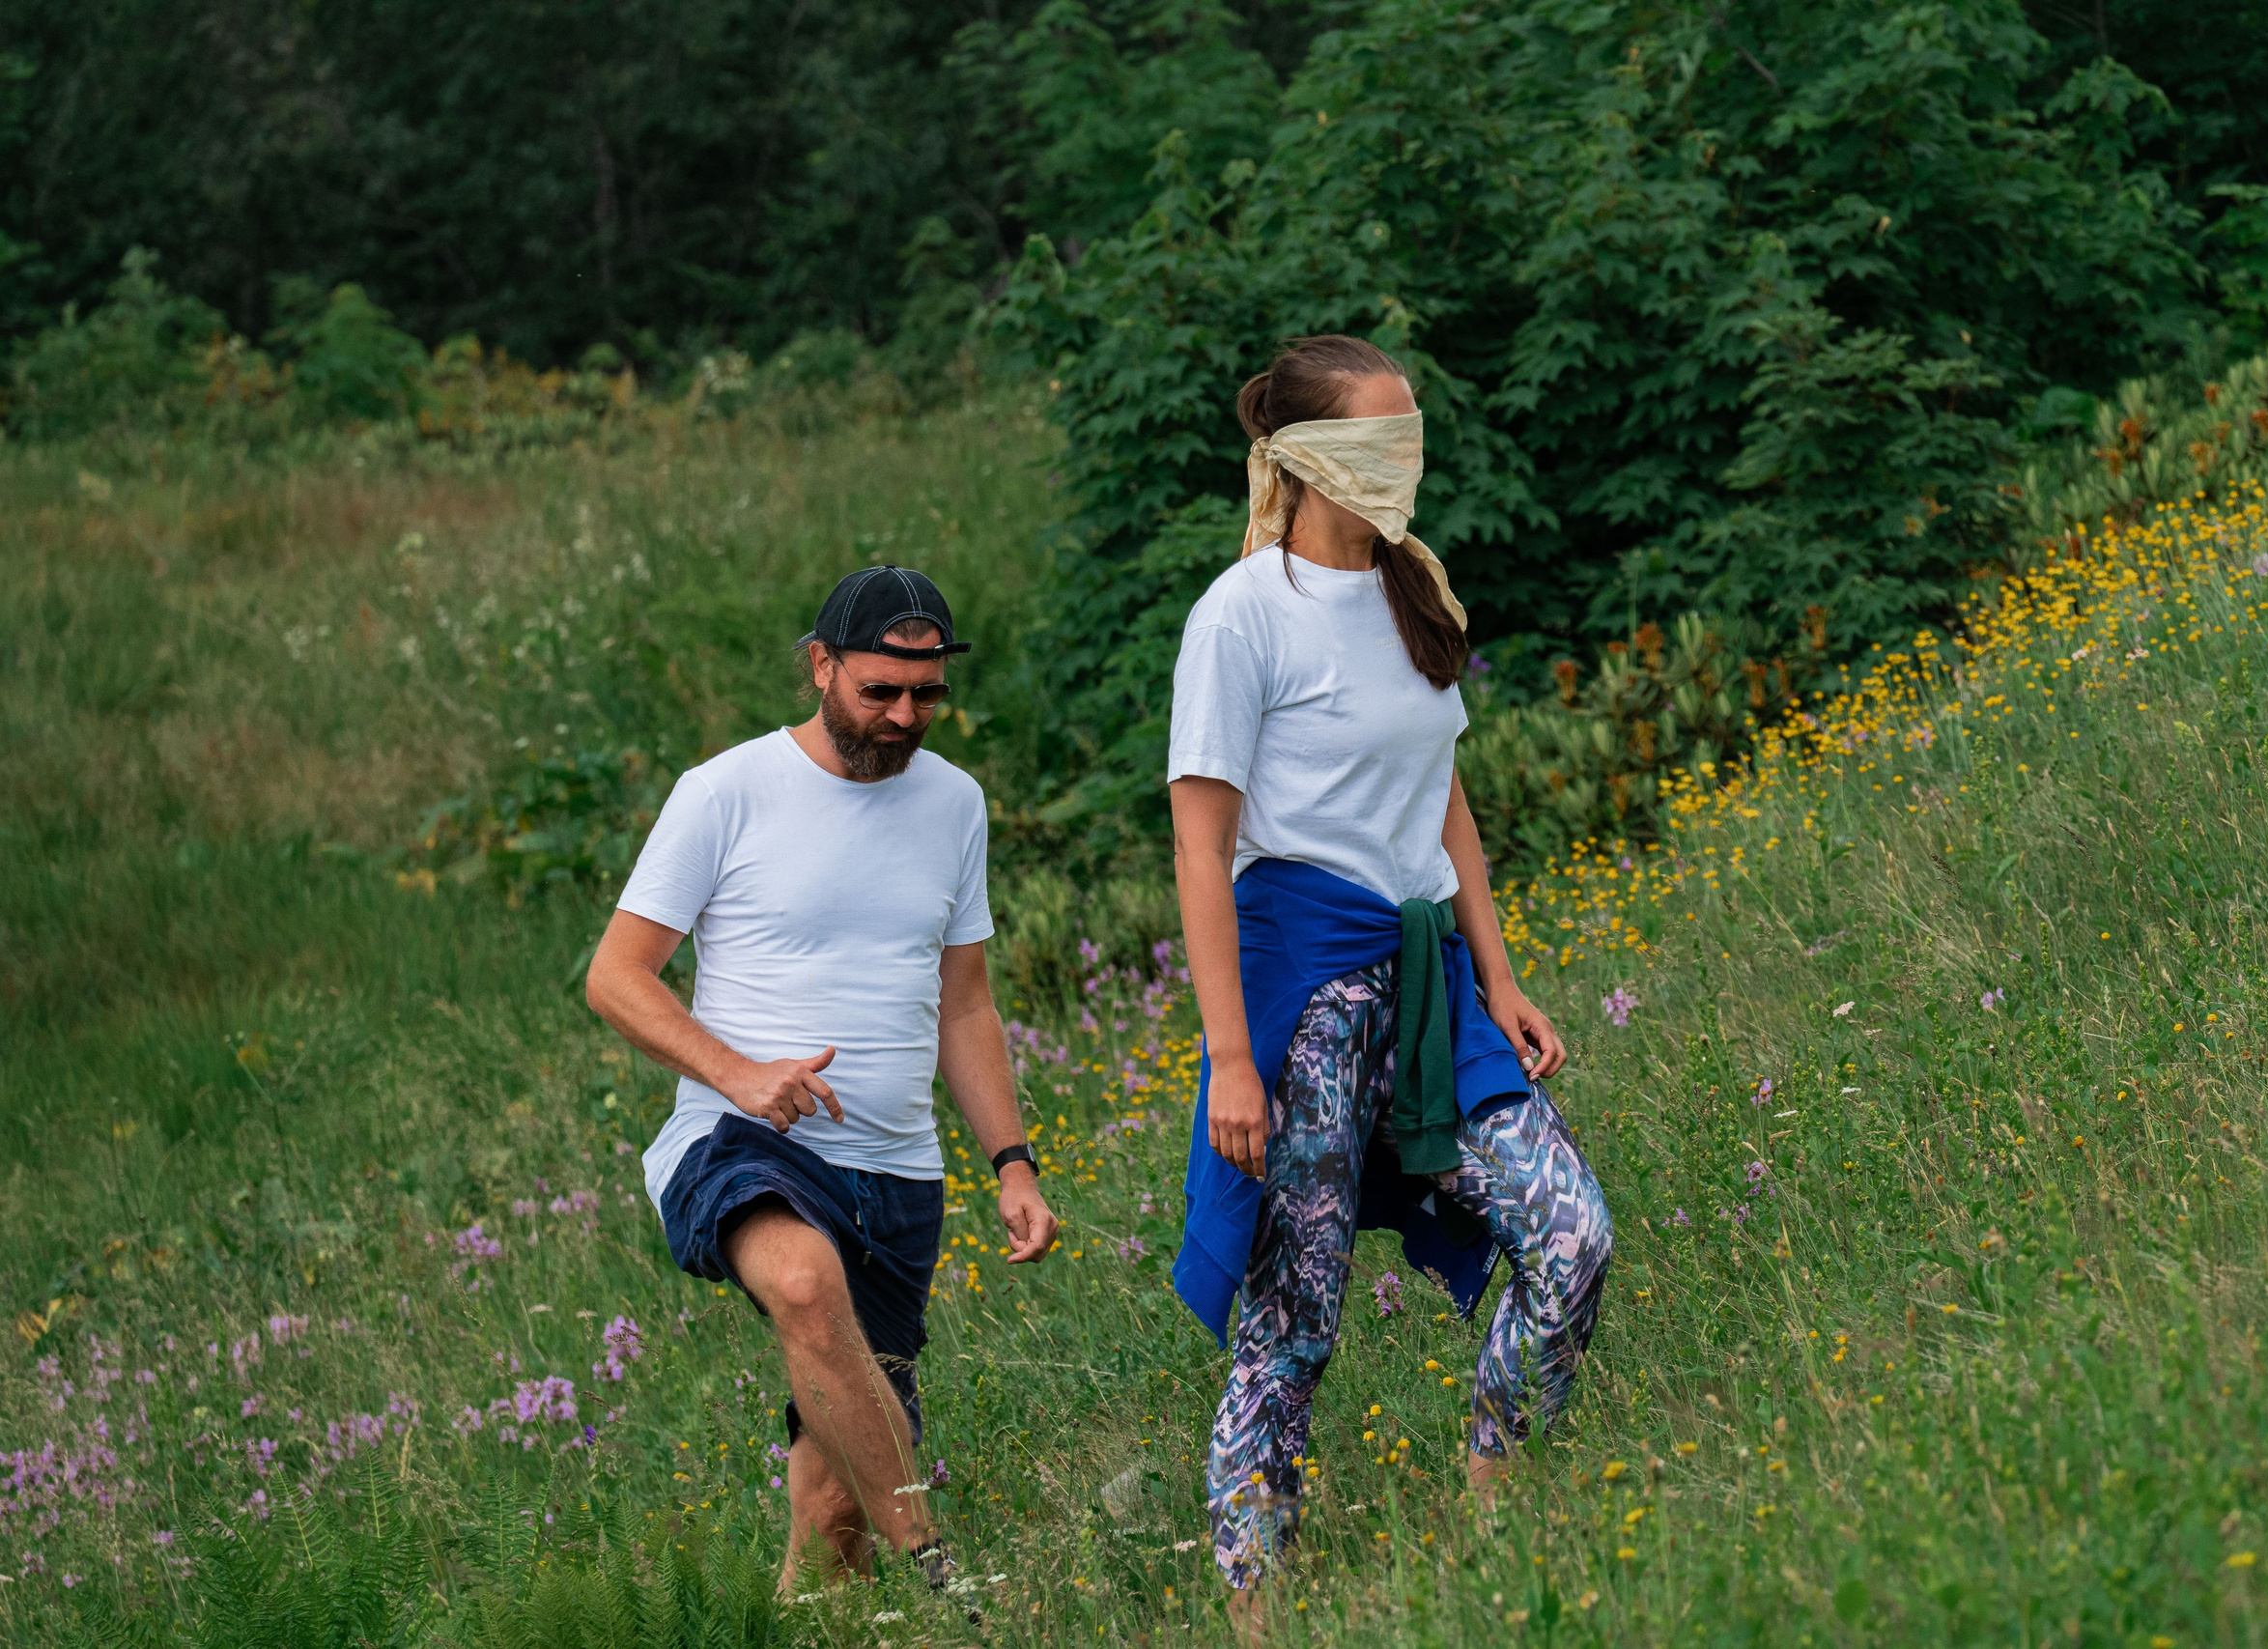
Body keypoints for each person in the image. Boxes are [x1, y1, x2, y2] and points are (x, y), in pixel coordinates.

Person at [1166, 335, 1613, 1631]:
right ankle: (1258, 1608)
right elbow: (1199, 844)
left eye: (1410, 437)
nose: (1402, 464)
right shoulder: (1242, 614)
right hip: (1301, 992)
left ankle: (1492, 1505)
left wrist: (1500, 974)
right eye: (1377, 441)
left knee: (1571, 1236)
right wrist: (1230, 1056)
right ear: (1308, 460)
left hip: (1430, 987)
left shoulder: (1417, 585)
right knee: (1293, 1316)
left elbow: (1443, 793)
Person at [584, 566, 1059, 1599]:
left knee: (836, 1508)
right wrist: (739, 1074)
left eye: (926, 695)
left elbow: (965, 1002)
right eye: (879, 690)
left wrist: (1012, 1163)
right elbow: (615, 976)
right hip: (742, 1142)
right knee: (802, 1283)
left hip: (896, 1175)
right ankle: (939, 1570)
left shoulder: (955, 803)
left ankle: (810, 1618)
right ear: (820, 666)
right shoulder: (725, 792)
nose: (903, 716)